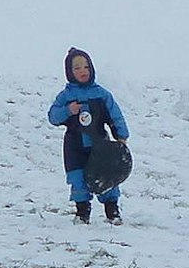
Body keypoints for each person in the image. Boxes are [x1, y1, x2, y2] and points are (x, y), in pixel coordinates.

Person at [46, 48, 128, 225]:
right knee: (77, 178)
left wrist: (121, 135)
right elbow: (53, 116)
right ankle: (82, 212)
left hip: (99, 145)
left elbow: (115, 115)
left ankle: (112, 211)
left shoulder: (101, 94)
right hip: (74, 147)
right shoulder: (66, 96)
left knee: (106, 176)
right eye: (76, 68)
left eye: (85, 67)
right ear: (69, 72)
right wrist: (68, 110)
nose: (82, 71)